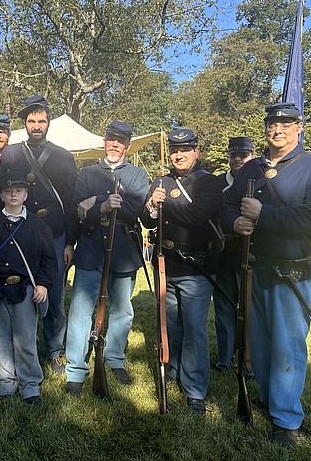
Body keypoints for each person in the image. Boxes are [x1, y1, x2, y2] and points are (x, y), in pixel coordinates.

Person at [220, 103, 311, 447]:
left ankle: (286, 420)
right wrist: (234, 223)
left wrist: (261, 215)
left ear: (300, 127)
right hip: (253, 267)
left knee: (287, 346)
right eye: (273, 123)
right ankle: (271, 400)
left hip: (291, 272)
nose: (278, 129)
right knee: (260, 342)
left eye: (286, 123)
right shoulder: (251, 168)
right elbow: (227, 205)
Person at [140, 128, 224, 415]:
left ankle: (196, 389)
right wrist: (151, 205)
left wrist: (165, 202)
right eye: (175, 150)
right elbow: (147, 221)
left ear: (196, 152)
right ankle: (174, 371)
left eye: (185, 150)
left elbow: (195, 216)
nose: (179, 155)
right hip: (166, 262)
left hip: (196, 266)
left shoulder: (208, 183)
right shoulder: (160, 181)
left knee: (195, 328)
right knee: (171, 324)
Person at [64, 121, 148, 395]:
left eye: (120, 140)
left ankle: (114, 358)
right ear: (105, 142)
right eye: (111, 139)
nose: (115, 144)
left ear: (127, 145)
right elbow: (78, 208)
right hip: (90, 246)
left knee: (122, 309)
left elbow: (133, 209)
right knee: (80, 310)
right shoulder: (87, 172)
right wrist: (103, 203)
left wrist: (97, 201)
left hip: (123, 249)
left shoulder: (137, 175)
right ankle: (75, 369)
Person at [0, 95, 78, 375]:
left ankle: (55, 350)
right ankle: (24, 345)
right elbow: (4, 194)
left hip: (54, 233)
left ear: (48, 123)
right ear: (25, 123)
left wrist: (69, 241)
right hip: (20, 232)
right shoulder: (11, 153)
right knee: (21, 290)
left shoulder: (63, 156)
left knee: (54, 293)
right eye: (31, 121)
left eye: (41, 120)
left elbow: (71, 202)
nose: (36, 125)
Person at [0, 172, 56, 405]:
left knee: (26, 339)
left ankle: (30, 384)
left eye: (18, 191)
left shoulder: (39, 226)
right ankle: (5, 380)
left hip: (25, 290)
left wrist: (44, 284)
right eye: (8, 191)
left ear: (26, 195)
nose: (13, 194)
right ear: (1, 195)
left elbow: (48, 259)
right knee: (0, 339)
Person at [212, 136, 254, 372]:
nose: (238, 159)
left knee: (249, 308)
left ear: (252, 156)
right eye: (233, 155)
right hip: (223, 252)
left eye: (243, 155)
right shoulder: (216, 183)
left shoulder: (257, 180)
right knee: (224, 308)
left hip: (250, 254)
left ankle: (248, 359)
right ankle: (225, 357)